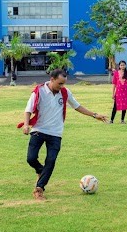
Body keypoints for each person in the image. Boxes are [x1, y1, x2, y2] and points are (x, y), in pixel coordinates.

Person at [21, 69, 108, 201]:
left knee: (51, 160)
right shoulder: (39, 91)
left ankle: (39, 189)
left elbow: (77, 106)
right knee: (31, 158)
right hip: (39, 129)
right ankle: (41, 171)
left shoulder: (65, 93)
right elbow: (28, 109)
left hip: (55, 133)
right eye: (59, 83)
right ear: (52, 79)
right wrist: (26, 125)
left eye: (63, 84)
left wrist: (94, 115)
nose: (62, 86)